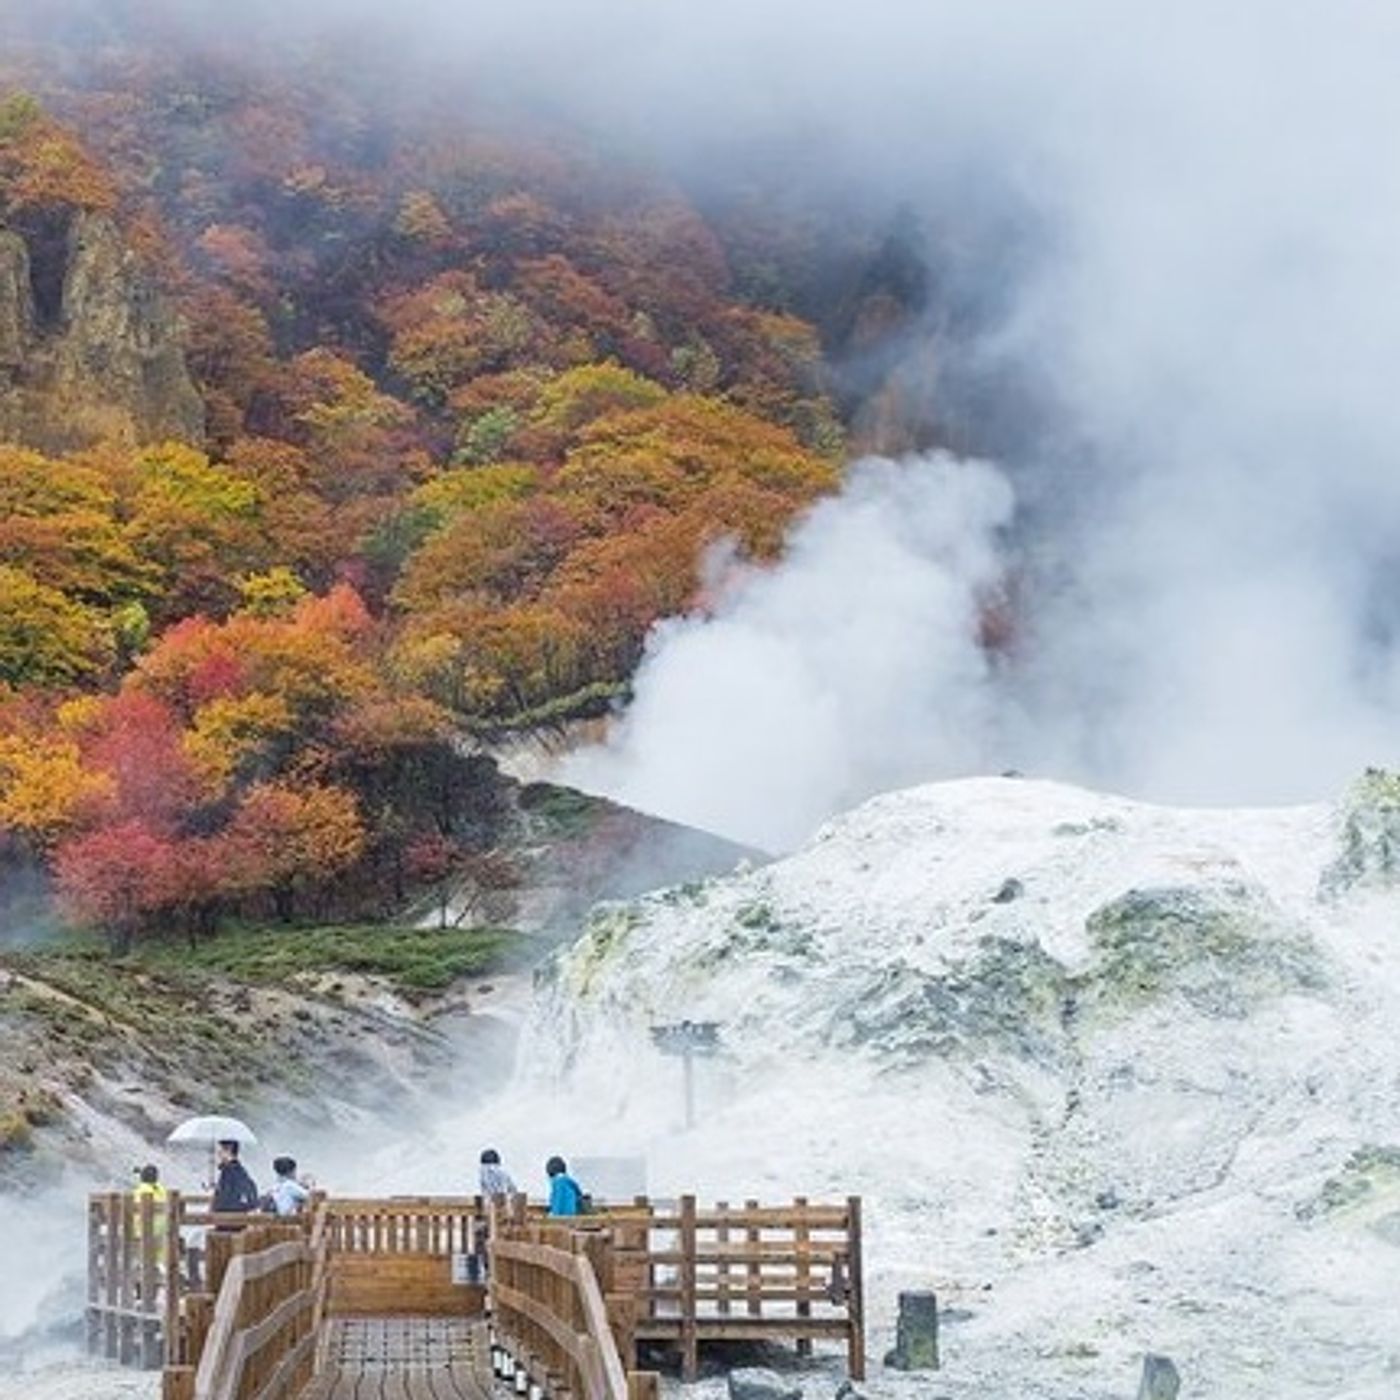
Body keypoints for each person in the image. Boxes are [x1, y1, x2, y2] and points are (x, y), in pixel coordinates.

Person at [212, 1139, 259, 1213]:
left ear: (229, 1150)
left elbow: (225, 1197)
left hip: (228, 1217)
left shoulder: (229, 1171)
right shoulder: (240, 1170)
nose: (218, 1153)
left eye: (221, 1150)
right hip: (240, 1215)